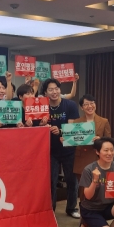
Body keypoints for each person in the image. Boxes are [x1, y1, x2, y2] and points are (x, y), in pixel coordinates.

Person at [72, 94, 112, 227]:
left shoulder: (103, 121)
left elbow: (109, 141)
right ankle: (84, 220)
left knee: (98, 191)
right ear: (82, 107)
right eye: (86, 104)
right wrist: (65, 139)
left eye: (92, 103)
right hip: (81, 160)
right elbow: (72, 141)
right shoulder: (76, 122)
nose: (90, 106)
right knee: (83, 193)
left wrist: (100, 140)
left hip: (98, 161)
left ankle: (97, 218)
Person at [43, 78, 80, 216]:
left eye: (56, 89)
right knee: (51, 181)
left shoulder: (70, 105)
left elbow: (72, 127)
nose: (54, 92)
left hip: (68, 149)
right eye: (50, 89)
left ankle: (71, 208)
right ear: (45, 92)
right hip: (50, 150)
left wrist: (60, 130)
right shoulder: (42, 106)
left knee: (72, 180)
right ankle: (50, 209)